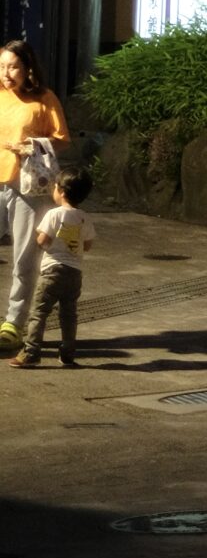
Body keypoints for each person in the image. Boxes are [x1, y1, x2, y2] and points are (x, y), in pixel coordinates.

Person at [0, 40, 69, 356]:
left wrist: (32, 145)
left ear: (27, 68)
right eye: (2, 66)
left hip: (28, 188)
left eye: (13, 66)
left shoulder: (44, 99)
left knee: (24, 259)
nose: (6, 73)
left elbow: (61, 139)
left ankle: (13, 325)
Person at [10, 167, 94, 370]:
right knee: (69, 314)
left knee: (39, 313)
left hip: (52, 271)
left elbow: (43, 240)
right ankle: (67, 354)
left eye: (55, 187)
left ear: (62, 191)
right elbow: (87, 245)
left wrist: (42, 242)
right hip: (74, 273)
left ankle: (31, 353)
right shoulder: (84, 217)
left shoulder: (53, 214)